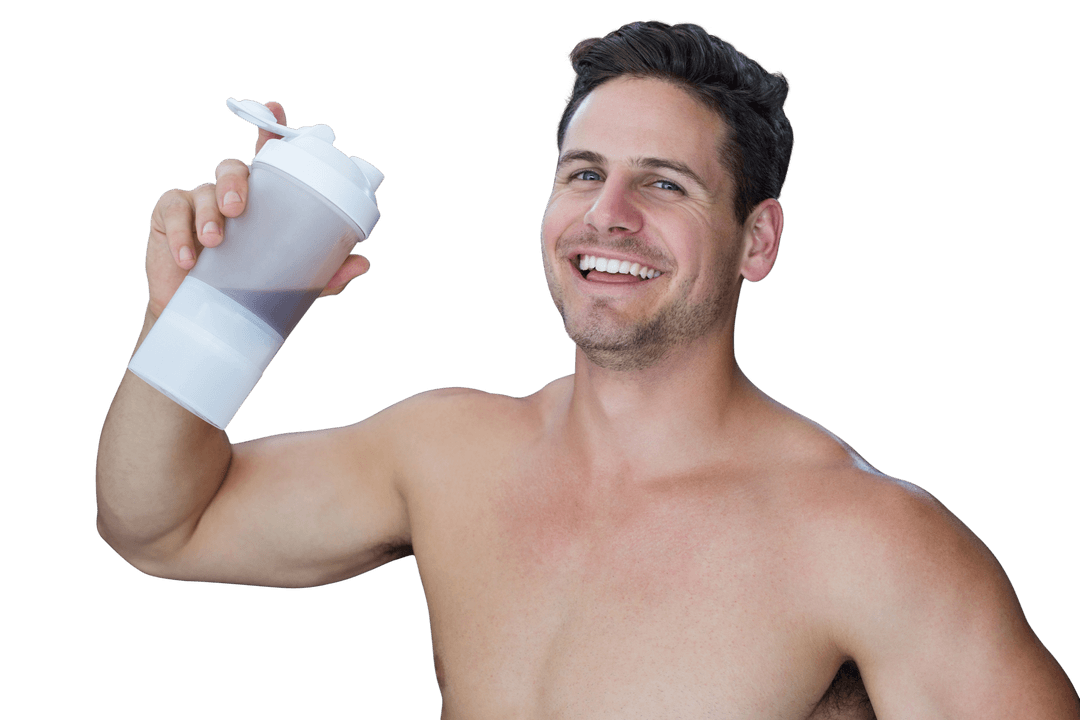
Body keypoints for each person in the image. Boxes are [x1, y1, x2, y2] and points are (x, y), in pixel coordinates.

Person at [96, 19, 1079, 719]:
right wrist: (197, 313)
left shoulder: (870, 545)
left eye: (665, 183)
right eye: (583, 173)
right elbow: (162, 525)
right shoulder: (451, 454)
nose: (609, 214)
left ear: (758, 239)